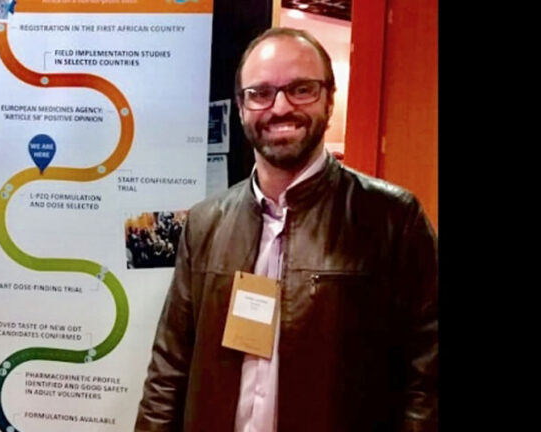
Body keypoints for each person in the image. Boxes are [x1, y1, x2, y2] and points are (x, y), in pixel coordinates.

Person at [135, 27, 437, 432]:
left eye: (301, 89)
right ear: (241, 108)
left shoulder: (393, 218)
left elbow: (428, 376)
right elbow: (169, 367)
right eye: (260, 93)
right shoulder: (206, 222)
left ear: (329, 99)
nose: (280, 107)